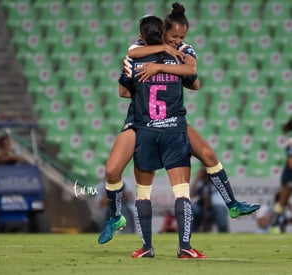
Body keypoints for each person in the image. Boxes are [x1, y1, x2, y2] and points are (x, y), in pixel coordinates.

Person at [98, 2, 259, 246]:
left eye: (181, 37)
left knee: (207, 153)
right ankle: (117, 218)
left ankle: (232, 204)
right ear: (162, 31)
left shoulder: (184, 50)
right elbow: (126, 74)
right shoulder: (139, 49)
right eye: (173, 36)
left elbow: (194, 77)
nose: (177, 40)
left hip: (172, 121)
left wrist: (162, 69)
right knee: (112, 170)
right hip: (141, 120)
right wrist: (153, 78)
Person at [121, 14, 206, 258]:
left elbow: (123, 92)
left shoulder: (135, 59)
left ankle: (146, 247)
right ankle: (185, 247)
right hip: (174, 130)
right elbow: (195, 81)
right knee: (181, 191)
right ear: (164, 32)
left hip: (146, 129)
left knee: (142, 192)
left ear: (142, 34)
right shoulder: (179, 57)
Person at [269, 117, 292, 232]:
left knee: (283, 202)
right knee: (283, 201)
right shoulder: (291, 141)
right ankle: (274, 226)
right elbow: (290, 162)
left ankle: (274, 225)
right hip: (289, 175)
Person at [191, 166, 229, 233]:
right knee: (193, 209)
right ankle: (193, 234)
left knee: (219, 209)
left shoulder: (217, 180)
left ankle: (224, 233)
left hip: (216, 207)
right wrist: (197, 178)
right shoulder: (201, 182)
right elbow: (192, 194)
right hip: (202, 208)